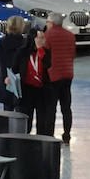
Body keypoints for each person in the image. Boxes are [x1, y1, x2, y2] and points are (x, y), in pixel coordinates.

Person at [15, 26, 54, 137]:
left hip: (42, 91)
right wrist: (9, 78)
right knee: (26, 118)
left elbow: (48, 65)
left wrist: (40, 50)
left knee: (42, 120)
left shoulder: (46, 52)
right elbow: (14, 68)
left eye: (43, 38)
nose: (43, 40)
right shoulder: (22, 52)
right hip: (26, 90)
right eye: (40, 38)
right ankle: (24, 140)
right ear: (33, 38)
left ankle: (40, 142)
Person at [43, 12, 75, 143]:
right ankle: (67, 134)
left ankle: (50, 135)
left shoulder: (47, 36)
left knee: (51, 108)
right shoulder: (70, 35)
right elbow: (72, 54)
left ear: (51, 23)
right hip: (67, 74)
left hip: (52, 75)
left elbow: (44, 56)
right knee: (66, 107)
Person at [0, 15, 27, 113]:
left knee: (7, 108)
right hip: (20, 78)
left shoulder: (3, 42)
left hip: (5, 76)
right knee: (21, 108)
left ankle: (7, 127)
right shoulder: (24, 42)